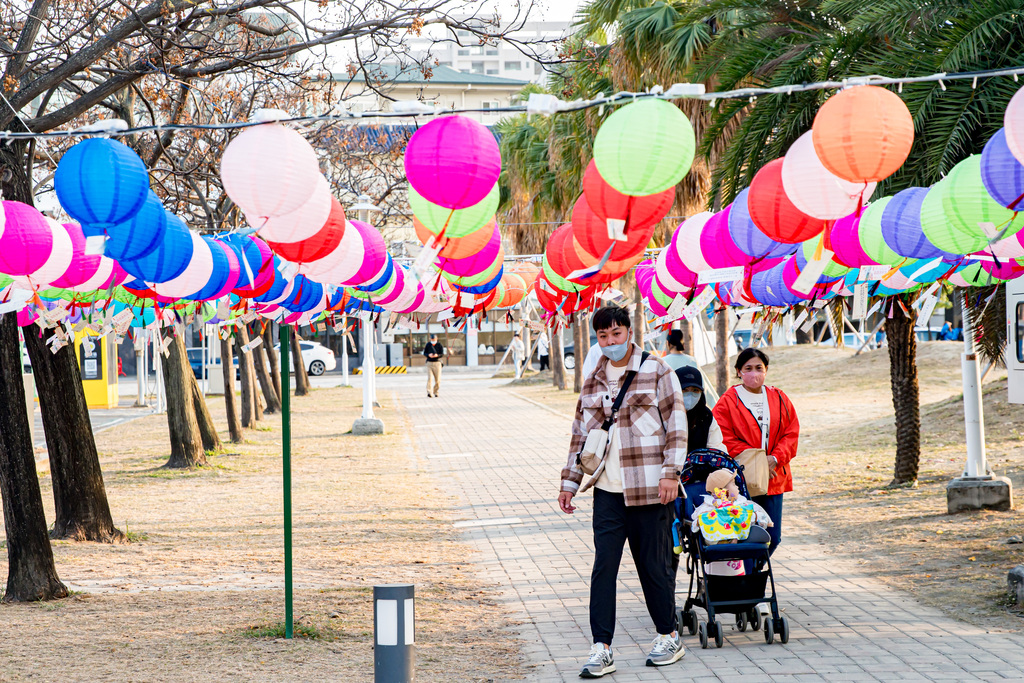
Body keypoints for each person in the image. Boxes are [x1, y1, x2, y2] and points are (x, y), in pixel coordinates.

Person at [558, 305, 687, 677]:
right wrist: (569, 483)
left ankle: (668, 635)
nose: (610, 341)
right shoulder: (593, 380)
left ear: (630, 332)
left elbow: (677, 427)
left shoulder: (658, 370)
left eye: (616, 333)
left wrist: (671, 474)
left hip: (650, 489)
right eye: (603, 335)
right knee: (604, 569)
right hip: (607, 491)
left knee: (653, 567)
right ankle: (601, 647)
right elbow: (580, 436)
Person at [711, 348, 799, 558]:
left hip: (774, 477)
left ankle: (755, 570)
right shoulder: (728, 401)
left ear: (766, 369)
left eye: (759, 368)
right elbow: (722, 436)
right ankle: (750, 575)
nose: (754, 373)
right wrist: (757, 462)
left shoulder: (779, 397)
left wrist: (775, 458)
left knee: (773, 536)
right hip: (744, 479)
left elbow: (791, 432)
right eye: (748, 368)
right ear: (739, 371)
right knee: (747, 535)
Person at [674, 366, 725, 453]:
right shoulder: (663, 415)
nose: (690, 395)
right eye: (684, 390)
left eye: (695, 390)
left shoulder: (705, 416)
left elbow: (716, 447)